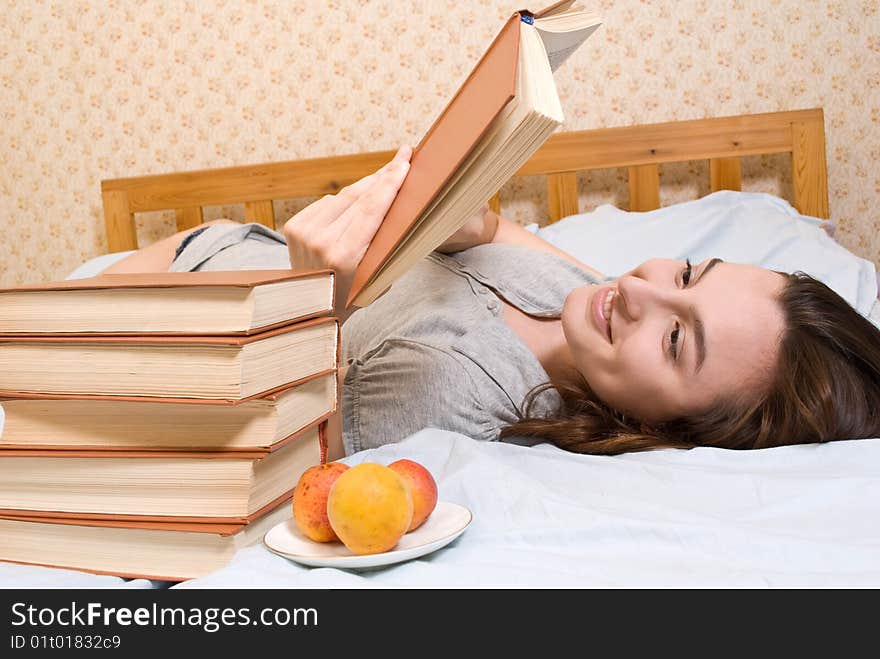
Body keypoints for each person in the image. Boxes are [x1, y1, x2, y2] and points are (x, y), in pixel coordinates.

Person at [103, 145, 880, 458]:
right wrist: (468, 216)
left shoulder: (455, 396)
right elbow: (501, 229)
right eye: (685, 271)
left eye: (679, 342)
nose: (639, 291)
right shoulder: (593, 305)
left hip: (173, 319)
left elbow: (289, 456)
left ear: (664, 427)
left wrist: (308, 305)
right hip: (222, 247)